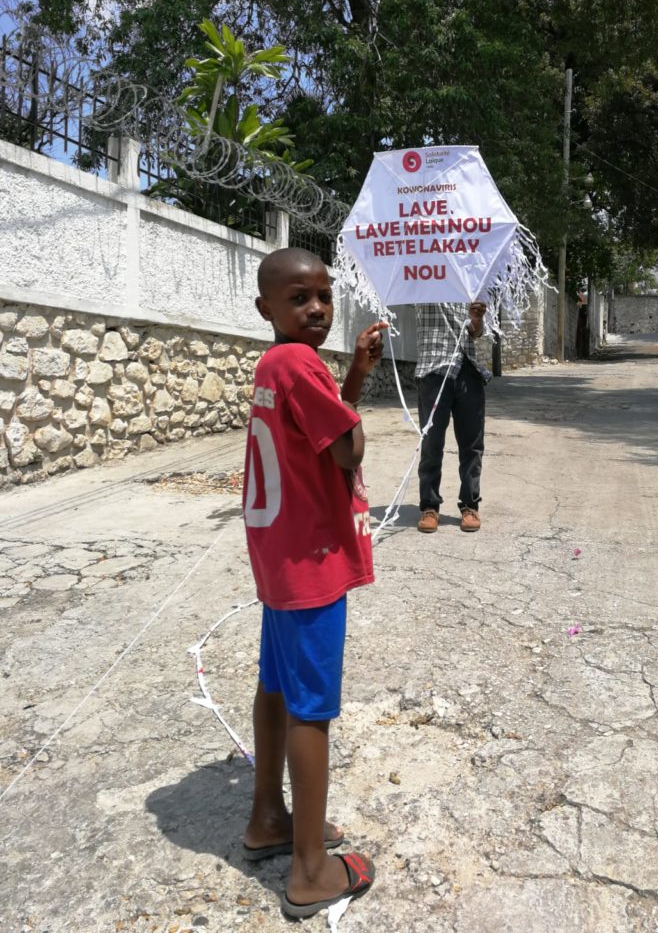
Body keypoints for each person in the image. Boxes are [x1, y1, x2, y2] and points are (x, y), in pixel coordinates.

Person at [241, 247, 385, 918]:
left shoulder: (276, 364)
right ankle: (309, 870)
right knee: (312, 711)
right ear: (265, 307)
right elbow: (344, 449)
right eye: (299, 298)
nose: (318, 309)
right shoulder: (299, 363)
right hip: (312, 562)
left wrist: (353, 374)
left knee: (276, 688)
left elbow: (320, 435)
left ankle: (270, 816)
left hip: (279, 558)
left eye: (324, 295)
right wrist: (354, 411)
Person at [415, 301, 489, 534]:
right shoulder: (422, 277)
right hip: (434, 368)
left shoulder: (468, 281)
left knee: (472, 445)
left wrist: (477, 322)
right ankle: (429, 506)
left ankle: (470, 505)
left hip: (467, 369)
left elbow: (476, 332)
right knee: (431, 442)